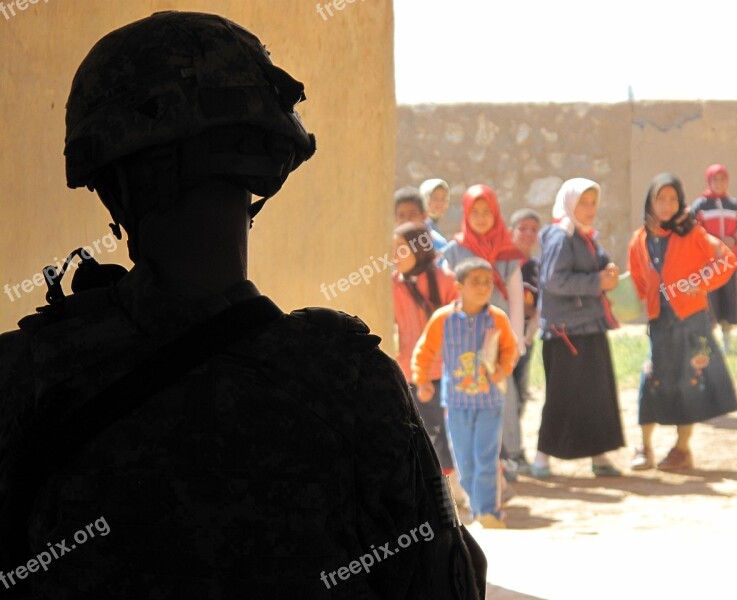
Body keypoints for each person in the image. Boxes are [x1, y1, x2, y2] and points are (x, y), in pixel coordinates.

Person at [0, 12, 486, 599]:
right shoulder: (348, 380)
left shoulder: (27, 379)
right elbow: (448, 586)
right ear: (263, 165)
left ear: (112, 184)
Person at [628, 173, 737, 471]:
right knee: (651, 379)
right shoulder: (639, 239)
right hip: (660, 322)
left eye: (672, 199)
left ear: (680, 202)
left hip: (691, 321)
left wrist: (702, 281)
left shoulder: (692, 233)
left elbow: (727, 260)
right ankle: (645, 448)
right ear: (650, 202)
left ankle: (681, 449)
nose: (666, 205)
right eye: (660, 199)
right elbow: (638, 278)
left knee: (688, 384)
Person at [412, 258, 518, 529]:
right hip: (456, 403)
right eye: (475, 282)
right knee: (464, 461)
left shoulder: (497, 318)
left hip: (490, 402)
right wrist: (422, 380)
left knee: (486, 457)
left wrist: (501, 369)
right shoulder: (443, 319)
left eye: (487, 282)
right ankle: (475, 505)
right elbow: (424, 351)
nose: (483, 287)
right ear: (459, 286)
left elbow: (510, 349)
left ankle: (488, 512)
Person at [531, 178, 625, 478]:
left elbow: (596, 265)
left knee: (596, 395)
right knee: (563, 395)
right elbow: (554, 281)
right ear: (570, 203)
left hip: (589, 327)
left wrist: (608, 269)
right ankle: (541, 459)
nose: (589, 209)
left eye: (593, 202)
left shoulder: (585, 236)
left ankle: (599, 456)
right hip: (565, 333)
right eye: (583, 202)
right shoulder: (562, 237)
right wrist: (598, 281)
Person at [441, 185, 528, 477]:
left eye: (486, 212)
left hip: (499, 336)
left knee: (504, 396)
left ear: (496, 213)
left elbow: (516, 298)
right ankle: (472, 464)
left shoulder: (507, 251)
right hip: (463, 340)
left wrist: (514, 341)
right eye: (474, 212)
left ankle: (509, 459)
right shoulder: (453, 252)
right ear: (466, 213)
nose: (480, 218)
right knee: (466, 395)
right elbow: (446, 295)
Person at [392, 221, 459, 476]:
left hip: (445, 370)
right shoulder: (392, 285)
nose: (394, 256)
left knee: (441, 431)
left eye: (401, 249)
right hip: (409, 370)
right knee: (422, 431)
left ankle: (451, 488)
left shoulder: (447, 281)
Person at [691, 164, 737, 353]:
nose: (719, 183)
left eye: (723, 179)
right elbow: (694, 232)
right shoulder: (700, 205)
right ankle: (710, 341)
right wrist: (715, 242)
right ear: (709, 181)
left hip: (728, 262)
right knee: (710, 301)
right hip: (707, 264)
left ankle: (727, 341)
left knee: (728, 301)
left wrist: (734, 239)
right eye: (715, 180)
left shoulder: (734, 205)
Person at [508, 208, 541, 413]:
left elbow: (542, 303)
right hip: (505, 334)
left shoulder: (539, 267)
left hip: (526, 336)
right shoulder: (506, 265)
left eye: (534, 230)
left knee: (520, 389)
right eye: (522, 229)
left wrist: (531, 332)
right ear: (511, 231)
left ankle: (515, 437)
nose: (528, 234)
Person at [394, 186, 448, 254]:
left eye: (413, 214)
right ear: (395, 218)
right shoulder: (388, 246)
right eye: (401, 216)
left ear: (424, 216)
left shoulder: (437, 244)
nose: (407, 220)